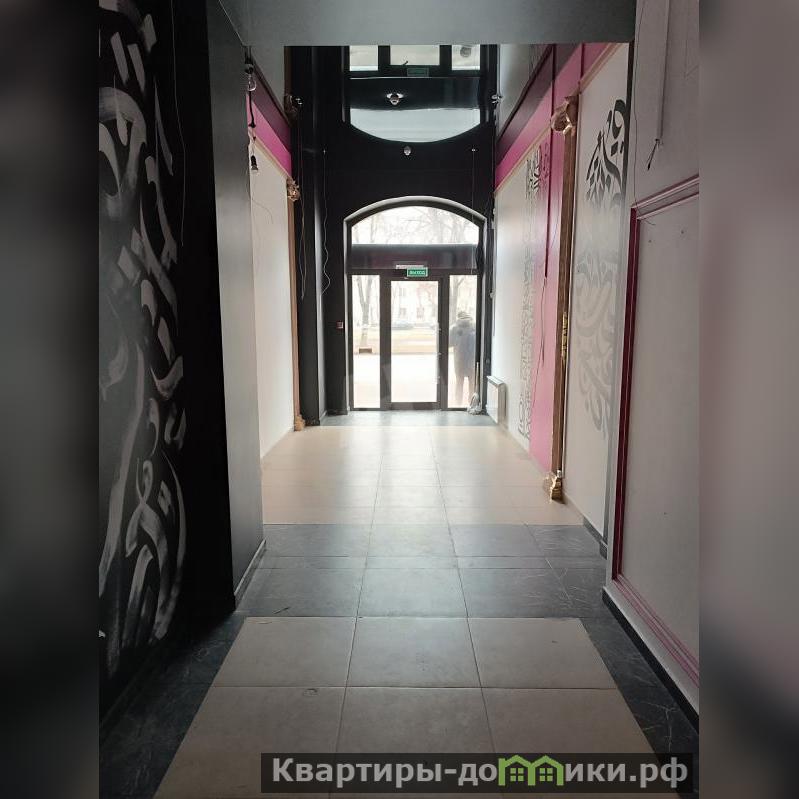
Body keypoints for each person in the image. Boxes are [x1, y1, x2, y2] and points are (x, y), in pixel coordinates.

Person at [449, 311, 476, 406]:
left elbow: (449, 343)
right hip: (472, 359)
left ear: (458, 317)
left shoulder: (454, 328)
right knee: (472, 383)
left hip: (459, 359)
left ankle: (458, 404)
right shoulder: (474, 327)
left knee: (459, 382)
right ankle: (471, 404)